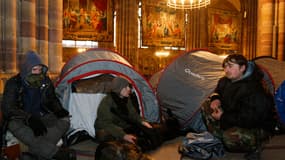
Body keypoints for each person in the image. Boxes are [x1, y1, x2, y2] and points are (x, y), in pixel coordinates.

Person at [1, 50, 76, 160]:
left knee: (65, 120)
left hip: (41, 115)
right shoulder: (13, 83)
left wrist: (58, 110)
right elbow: (8, 108)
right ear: (26, 69)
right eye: (34, 69)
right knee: (13, 124)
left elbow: (51, 99)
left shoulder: (45, 81)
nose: (38, 73)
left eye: (40, 69)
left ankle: (34, 151)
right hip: (21, 118)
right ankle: (54, 153)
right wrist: (29, 118)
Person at [201, 54, 277, 160]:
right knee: (205, 106)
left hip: (256, 126)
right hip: (233, 116)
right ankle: (219, 138)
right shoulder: (225, 81)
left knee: (230, 137)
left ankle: (256, 145)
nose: (226, 69)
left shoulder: (254, 88)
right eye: (225, 66)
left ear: (242, 68)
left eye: (230, 66)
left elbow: (250, 119)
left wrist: (223, 117)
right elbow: (217, 92)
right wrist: (215, 99)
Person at [95, 76, 163, 151]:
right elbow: (105, 123)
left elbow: (133, 114)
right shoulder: (106, 102)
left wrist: (142, 121)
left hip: (121, 125)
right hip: (106, 127)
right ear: (119, 89)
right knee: (103, 135)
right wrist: (123, 135)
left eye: (129, 86)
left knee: (145, 132)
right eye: (126, 87)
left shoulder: (126, 99)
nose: (129, 89)